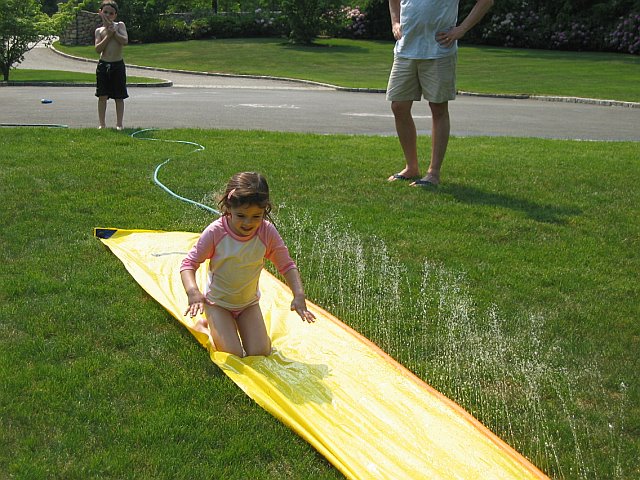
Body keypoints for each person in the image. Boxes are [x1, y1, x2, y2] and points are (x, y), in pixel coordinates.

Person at [180, 172, 316, 357]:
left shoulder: (266, 233)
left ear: (265, 210)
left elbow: (287, 265)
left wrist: (298, 294)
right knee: (232, 353)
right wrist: (193, 292)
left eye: (256, 216)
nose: (248, 223)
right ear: (228, 207)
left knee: (260, 352)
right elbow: (189, 264)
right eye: (241, 215)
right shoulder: (216, 232)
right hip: (217, 303)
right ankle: (205, 327)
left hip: (248, 305)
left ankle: (233, 327)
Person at [386, 0, 493, 187]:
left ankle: (433, 173)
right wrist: (395, 22)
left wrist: (461, 30)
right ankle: (411, 167)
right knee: (398, 106)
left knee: (438, 108)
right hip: (406, 48)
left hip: (439, 49)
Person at [94, 0, 128, 131]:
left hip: (117, 65)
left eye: (111, 13)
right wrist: (108, 35)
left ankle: (119, 124)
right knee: (102, 96)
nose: (108, 15)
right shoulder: (99, 31)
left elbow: (124, 41)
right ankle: (102, 124)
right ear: (100, 12)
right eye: (105, 12)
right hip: (103, 65)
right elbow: (98, 49)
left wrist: (115, 32)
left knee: (119, 96)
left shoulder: (120, 25)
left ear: (115, 15)